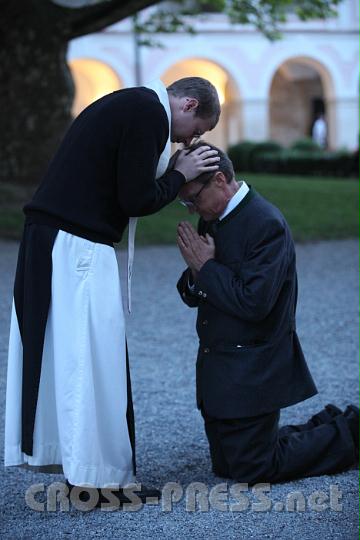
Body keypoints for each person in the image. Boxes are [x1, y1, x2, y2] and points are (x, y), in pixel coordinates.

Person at [4, 77, 221, 507]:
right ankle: (97, 481)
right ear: (189, 103)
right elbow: (135, 197)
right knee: (92, 359)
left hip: (55, 239)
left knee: (70, 357)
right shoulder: (147, 113)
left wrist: (173, 170)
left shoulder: (133, 104)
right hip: (75, 245)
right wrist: (180, 173)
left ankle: (87, 472)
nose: (191, 139)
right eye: (197, 129)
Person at [176, 142, 360, 485]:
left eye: (193, 199)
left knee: (254, 468)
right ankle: (337, 424)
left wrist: (206, 267)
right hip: (220, 370)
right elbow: (195, 292)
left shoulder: (265, 224)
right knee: (227, 465)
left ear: (220, 180)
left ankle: (351, 432)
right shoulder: (212, 218)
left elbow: (255, 304)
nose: (191, 209)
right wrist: (196, 273)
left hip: (253, 365)